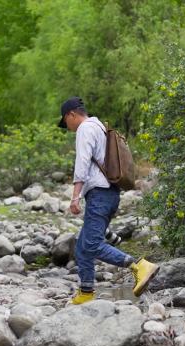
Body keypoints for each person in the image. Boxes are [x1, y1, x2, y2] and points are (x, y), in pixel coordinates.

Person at [58, 96, 159, 305]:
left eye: (65, 121)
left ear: (71, 115)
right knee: (82, 247)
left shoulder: (85, 129)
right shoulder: (100, 127)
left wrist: (75, 196)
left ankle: (138, 266)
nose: (67, 126)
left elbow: (83, 163)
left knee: (92, 245)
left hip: (100, 195)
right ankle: (86, 292)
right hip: (109, 194)